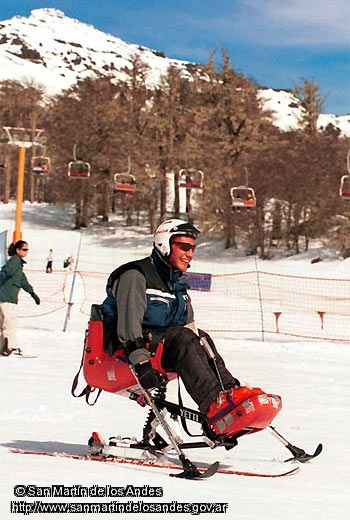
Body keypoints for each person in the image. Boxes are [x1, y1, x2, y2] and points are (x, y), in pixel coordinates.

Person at [102, 219, 260, 438]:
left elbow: (189, 325)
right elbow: (129, 325)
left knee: (200, 337)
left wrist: (201, 343)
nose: (190, 254)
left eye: (193, 248)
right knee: (184, 338)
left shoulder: (176, 283)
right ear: (164, 245)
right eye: (184, 247)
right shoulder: (135, 275)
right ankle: (215, 406)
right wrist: (140, 362)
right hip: (129, 353)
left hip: (163, 346)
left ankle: (230, 396)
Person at [0, 240, 40, 356]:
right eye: (24, 249)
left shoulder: (17, 263)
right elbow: (4, 272)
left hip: (6, 297)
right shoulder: (15, 261)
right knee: (9, 322)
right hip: (7, 297)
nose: (26, 252)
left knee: (3, 322)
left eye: (27, 249)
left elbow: (22, 280)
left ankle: (3, 346)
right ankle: (9, 347)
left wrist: (32, 293)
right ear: (18, 250)